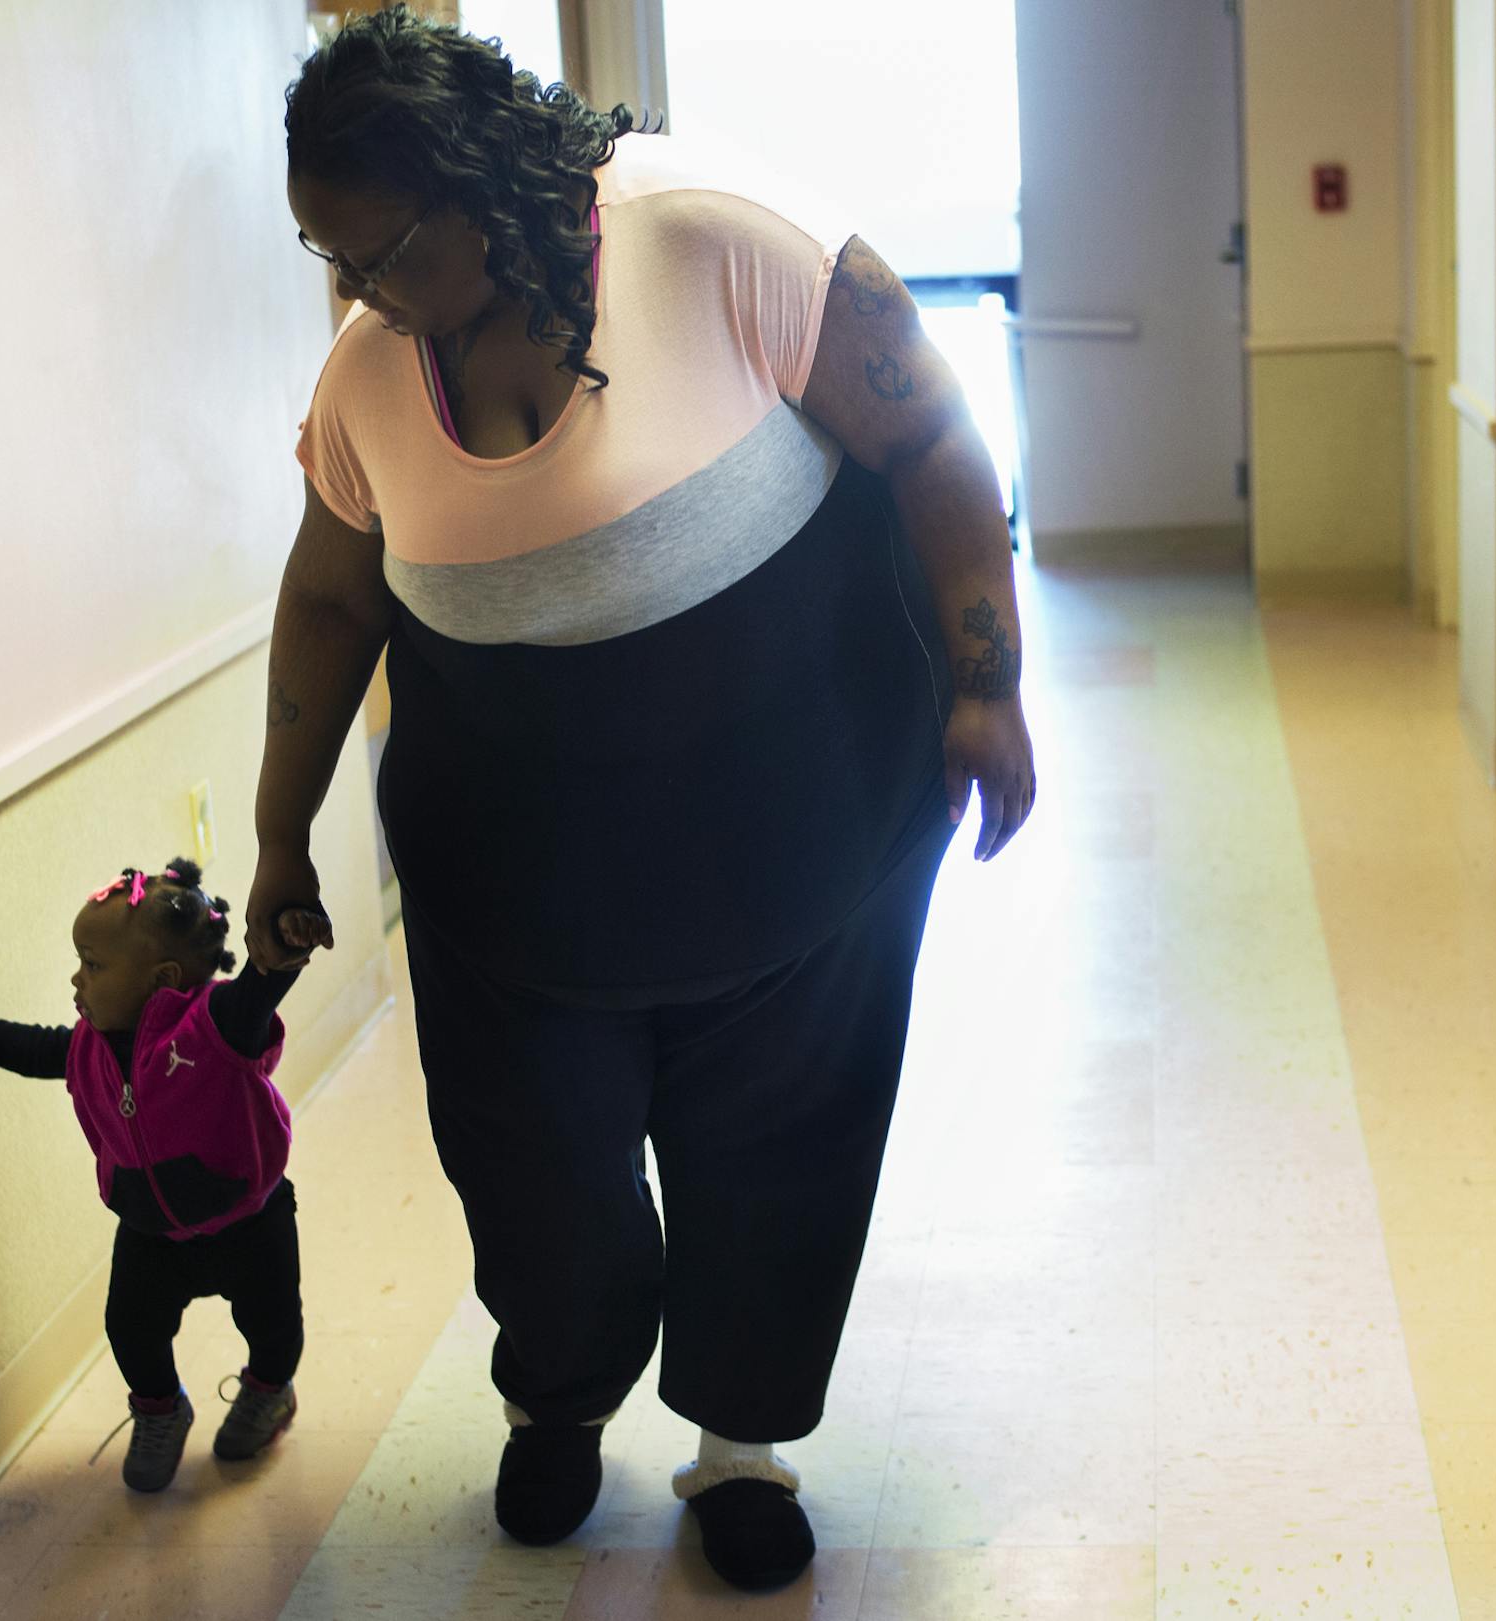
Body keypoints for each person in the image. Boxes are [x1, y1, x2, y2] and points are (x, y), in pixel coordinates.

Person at [248, 6, 1036, 1591]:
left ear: (475, 193)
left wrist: (983, 686)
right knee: (535, 1160)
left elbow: (932, 435)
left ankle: (741, 1444)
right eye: (322, 255)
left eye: (378, 247)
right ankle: (559, 1389)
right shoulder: (372, 373)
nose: (351, 292)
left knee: (777, 1142)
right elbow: (332, 604)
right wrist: (278, 835)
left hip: (798, 832)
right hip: (516, 876)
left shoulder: (715, 241)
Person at [0, 858, 316, 1493]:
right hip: (151, 1232)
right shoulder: (87, 1047)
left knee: (273, 1323)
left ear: (161, 980)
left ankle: (268, 1391)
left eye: (93, 965)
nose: (77, 979)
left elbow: (261, 987)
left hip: (249, 1221)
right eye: (81, 961)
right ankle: (160, 1409)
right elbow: (28, 1049)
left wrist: (287, 940)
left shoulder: (215, 1029)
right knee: (130, 1327)